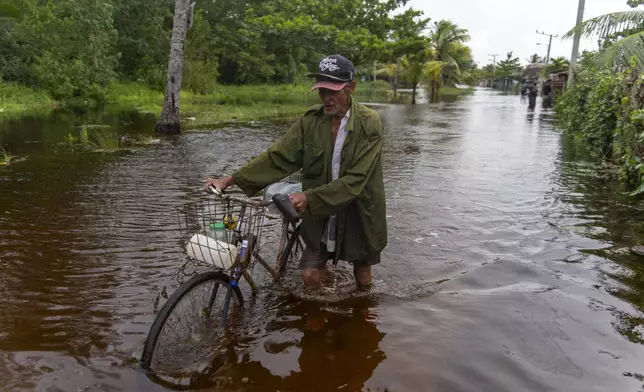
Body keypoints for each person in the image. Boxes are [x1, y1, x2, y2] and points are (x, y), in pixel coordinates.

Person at [205, 54, 387, 289]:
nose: (326, 98)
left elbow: (356, 179)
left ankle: (359, 319)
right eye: (322, 91)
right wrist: (229, 180)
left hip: (357, 210)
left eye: (333, 91)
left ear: (351, 87)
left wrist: (308, 197)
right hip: (319, 211)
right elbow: (278, 156)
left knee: (362, 277)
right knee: (310, 276)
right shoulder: (310, 121)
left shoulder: (369, 123)